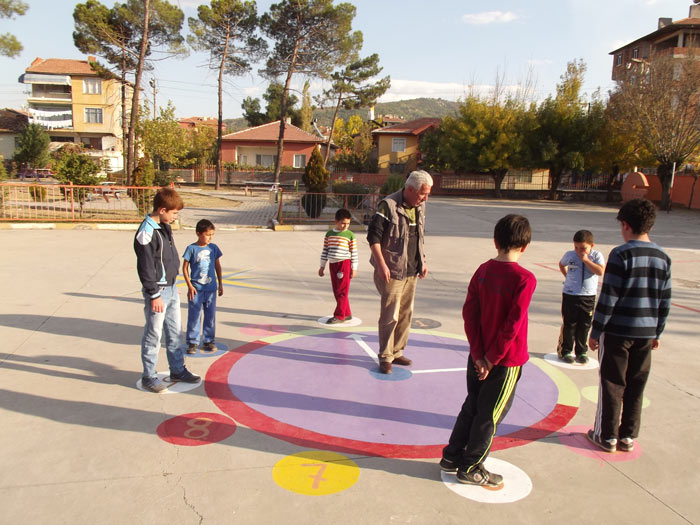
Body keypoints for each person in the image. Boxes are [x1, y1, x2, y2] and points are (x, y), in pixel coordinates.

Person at [440, 214, 536, 486]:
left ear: (496, 241)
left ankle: (452, 455)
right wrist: (492, 359)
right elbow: (513, 324)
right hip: (505, 362)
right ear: (525, 246)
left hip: (478, 357)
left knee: (473, 405)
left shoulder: (483, 270)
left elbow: (470, 313)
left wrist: (479, 354)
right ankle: (471, 466)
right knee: (490, 415)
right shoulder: (524, 278)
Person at [586, 198, 671, 453]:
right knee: (636, 384)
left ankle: (606, 435)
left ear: (625, 225)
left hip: (617, 332)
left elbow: (609, 297)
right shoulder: (663, 257)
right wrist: (658, 331)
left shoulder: (621, 254)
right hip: (646, 333)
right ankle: (627, 436)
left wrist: (596, 330)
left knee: (612, 383)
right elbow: (664, 300)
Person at [134, 188, 200, 393]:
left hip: (171, 289)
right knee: (153, 334)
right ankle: (149, 376)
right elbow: (145, 267)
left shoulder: (163, 226)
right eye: (174, 213)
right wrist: (154, 294)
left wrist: (173, 284)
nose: (175, 217)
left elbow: (167, 259)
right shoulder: (146, 233)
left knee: (174, 333)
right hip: (158, 292)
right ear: (162, 210)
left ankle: (178, 369)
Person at [367, 170, 432, 374]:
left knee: (406, 314)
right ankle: (385, 356)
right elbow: (373, 238)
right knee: (390, 315)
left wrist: (423, 260)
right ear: (410, 189)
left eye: (427, 194)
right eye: (423, 193)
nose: (425, 198)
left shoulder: (419, 207)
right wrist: (382, 265)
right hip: (392, 271)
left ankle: (396, 352)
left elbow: (418, 237)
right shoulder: (388, 206)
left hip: (411, 270)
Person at [557, 230, 605, 364]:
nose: (579, 251)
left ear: (592, 246)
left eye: (583, 248)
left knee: (584, 325)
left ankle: (581, 351)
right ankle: (566, 350)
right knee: (569, 324)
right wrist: (567, 277)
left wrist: (585, 260)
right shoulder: (570, 255)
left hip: (588, 296)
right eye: (576, 247)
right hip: (570, 294)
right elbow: (561, 264)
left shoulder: (596, 256)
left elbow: (600, 271)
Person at [182, 219, 224, 353]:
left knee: (210, 316)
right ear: (198, 233)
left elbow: (217, 266)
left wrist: (220, 283)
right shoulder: (191, 248)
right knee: (194, 316)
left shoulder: (214, 248)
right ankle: (192, 342)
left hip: (211, 289)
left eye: (212, 234)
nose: (210, 237)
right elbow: (184, 268)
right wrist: (190, 286)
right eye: (207, 234)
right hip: (196, 290)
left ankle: (208, 341)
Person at [318, 208, 358, 324]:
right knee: (337, 290)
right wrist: (322, 266)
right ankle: (347, 313)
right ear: (336, 221)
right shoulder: (329, 234)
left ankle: (340, 315)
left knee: (342, 291)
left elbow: (354, 253)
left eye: (348, 223)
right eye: (343, 223)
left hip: (344, 264)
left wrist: (354, 268)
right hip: (333, 264)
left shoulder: (350, 235)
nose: (345, 226)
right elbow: (325, 250)